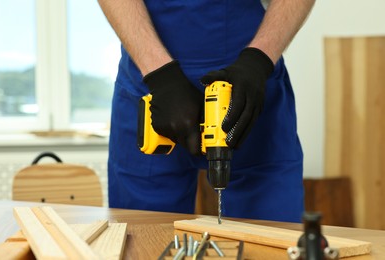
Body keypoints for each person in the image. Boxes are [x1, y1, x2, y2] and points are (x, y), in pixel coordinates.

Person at [98, 0, 315, 222]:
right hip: (152, 89)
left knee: (272, 241)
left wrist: (259, 60)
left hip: (248, 89)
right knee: (143, 241)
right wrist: (159, 75)